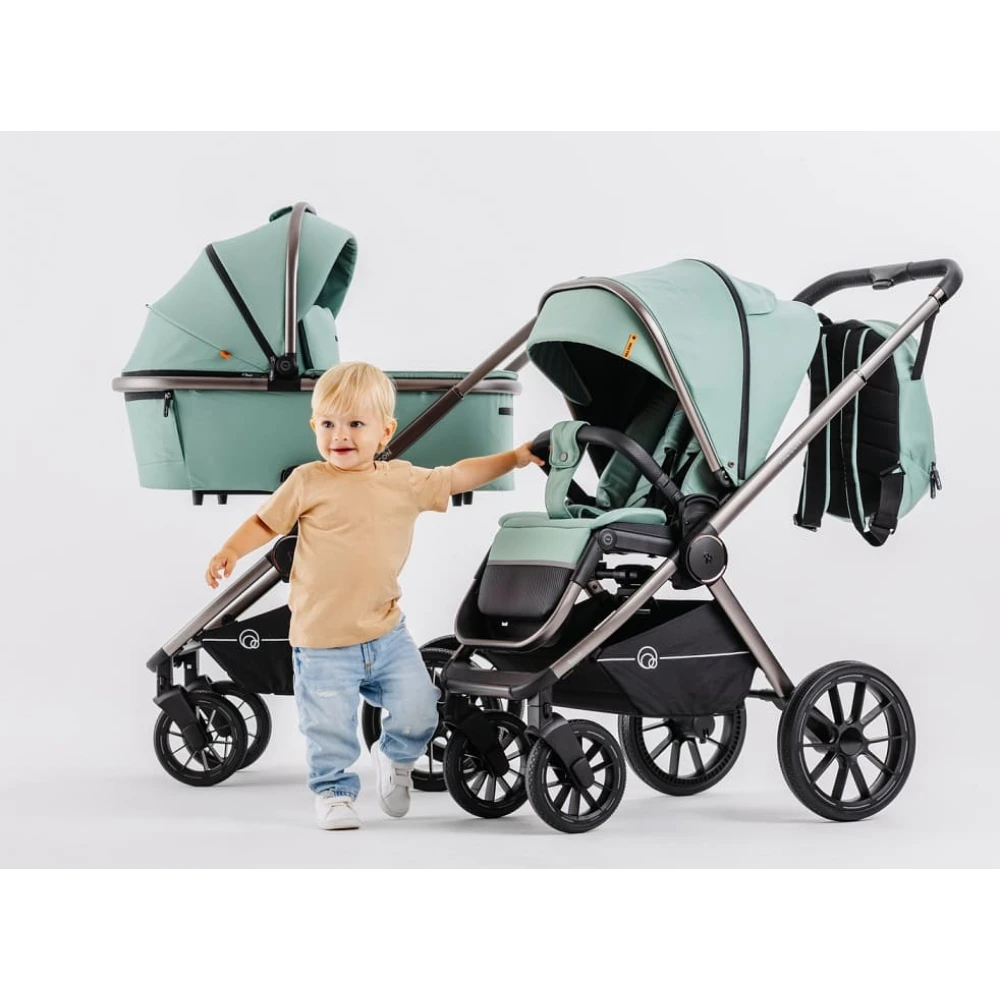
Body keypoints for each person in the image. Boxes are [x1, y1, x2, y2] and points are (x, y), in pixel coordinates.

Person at [205, 361, 542, 830]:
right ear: (314, 426)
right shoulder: (308, 480)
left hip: (386, 634)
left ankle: (395, 757)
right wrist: (231, 549)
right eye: (328, 424)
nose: (340, 435)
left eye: (355, 424)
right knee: (329, 729)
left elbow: (458, 476)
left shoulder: (402, 481)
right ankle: (334, 793)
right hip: (322, 641)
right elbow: (265, 522)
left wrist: (516, 456)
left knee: (421, 708)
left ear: (385, 431)